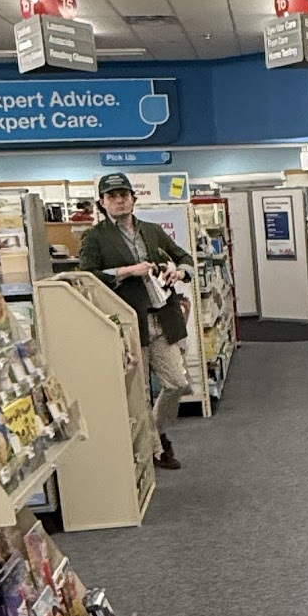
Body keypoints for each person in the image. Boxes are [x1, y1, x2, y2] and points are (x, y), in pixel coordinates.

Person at [76, 172, 194, 470]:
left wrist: (179, 272)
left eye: (123, 195)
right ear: (102, 203)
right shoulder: (95, 237)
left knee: (177, 383)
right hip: (129, 323)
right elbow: (86, 277)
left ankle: (157, 432)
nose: (119, 201)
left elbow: (185, 257)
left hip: (163, 318)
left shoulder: (151, 231)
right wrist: (127, 271)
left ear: (133, 198)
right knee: (138, 392)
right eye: (112, 196)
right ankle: (156, 450)